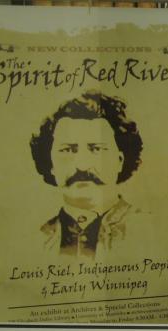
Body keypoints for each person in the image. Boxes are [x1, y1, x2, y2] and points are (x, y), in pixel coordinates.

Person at [29, 91, 144, 258]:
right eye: (67, 150)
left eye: (96, 149)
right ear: (51, 163)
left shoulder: (147, 231)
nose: (82, 165)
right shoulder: (34, 240)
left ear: (119, 161)